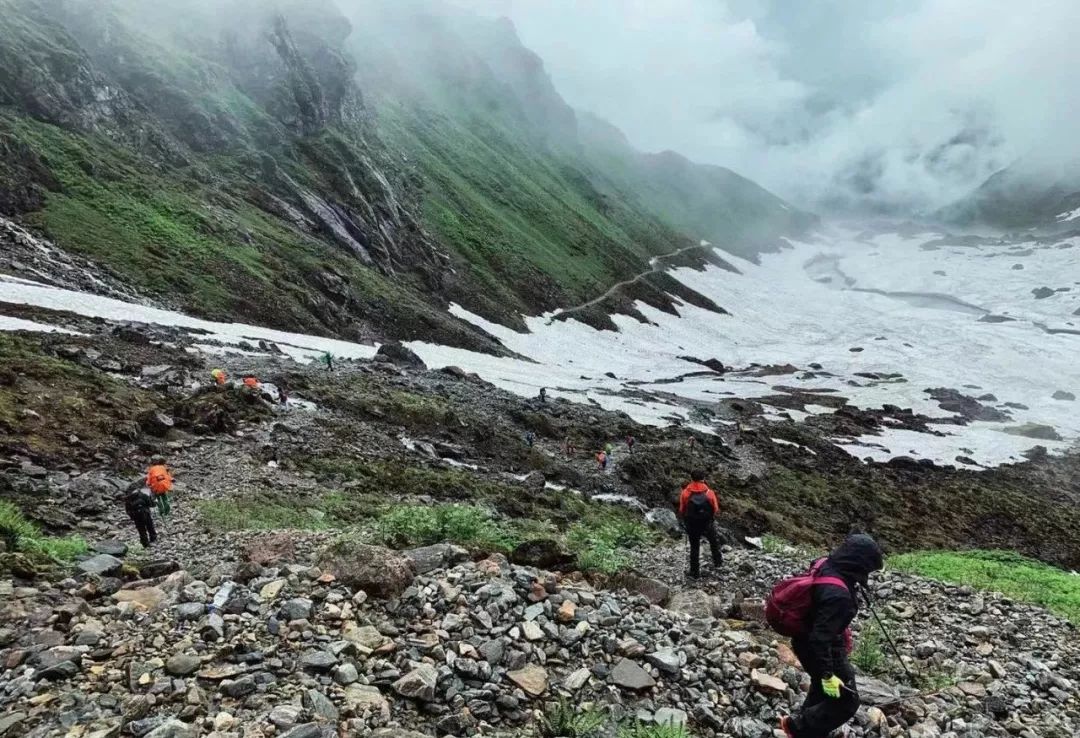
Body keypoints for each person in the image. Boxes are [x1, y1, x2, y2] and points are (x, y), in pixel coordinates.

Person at [780, 534, 885, 738]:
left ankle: (806, 727)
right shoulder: (838, 596)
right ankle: (797, 727)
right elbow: (820, 640)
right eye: (868, 568)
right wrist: (828, 674)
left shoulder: (828, 565)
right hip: (820, 645)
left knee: (822, 690)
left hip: (804, 638)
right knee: (847, 701)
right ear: (859, 563)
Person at [677, 470, 721, 578]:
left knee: (694, 547)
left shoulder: (685, 492)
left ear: (691, 478)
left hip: (692, 524)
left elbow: (682, 510)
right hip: (707, 523)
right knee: (713, 542)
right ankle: (718, 562)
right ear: (703, 479)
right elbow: (715, 509)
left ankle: (695, 572)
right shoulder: (709, 493)